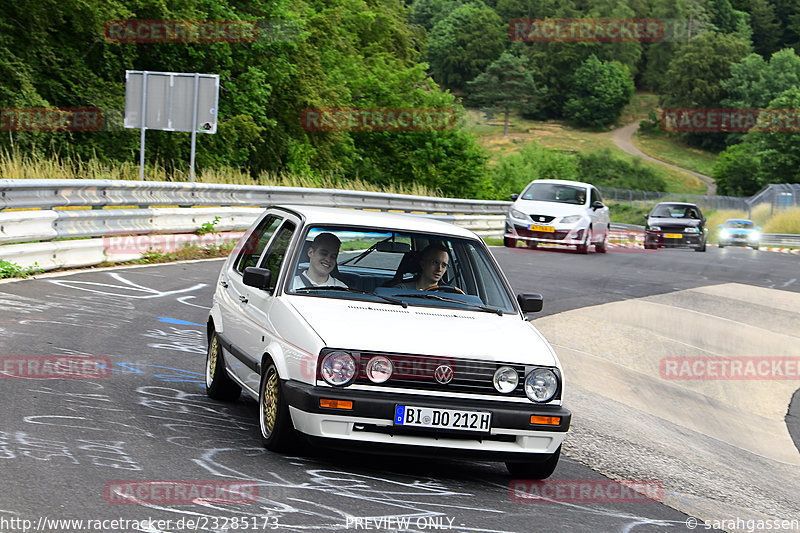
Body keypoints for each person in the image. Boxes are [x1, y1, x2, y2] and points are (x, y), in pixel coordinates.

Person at [394, 244, 460, 291]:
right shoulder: (401, 290)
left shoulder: (450, 295)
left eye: (444, 265)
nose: (439, 269)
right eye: (435, 262)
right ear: (423, 264)